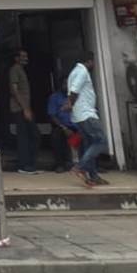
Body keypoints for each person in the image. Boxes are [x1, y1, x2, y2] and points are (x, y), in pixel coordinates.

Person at [66, 51, 109, 187]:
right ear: (89, 61)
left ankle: (93, 175)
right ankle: (80, 167)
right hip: (86, 114)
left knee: (90, 144)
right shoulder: (82, 71)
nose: (94, 64)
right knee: (101, 141)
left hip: (80, 115)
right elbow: (74, 91)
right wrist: (70, 104)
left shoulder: (74, 71)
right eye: (93, 62)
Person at [8, 49, 39, 174]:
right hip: (19, 108)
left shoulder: (21, 70)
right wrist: (25, 109)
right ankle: (24, 166)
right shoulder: (15, 70)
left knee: (32, 135)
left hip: (24, 108)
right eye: (23, 56)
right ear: (16, 58)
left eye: (26, 56)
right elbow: (14, 90)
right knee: (26, 137)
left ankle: (29, 164)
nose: (26, 58)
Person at [46, 81, 79, 172]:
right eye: (65, 84)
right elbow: (52, 115)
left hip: (77, 126)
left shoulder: (76, 97)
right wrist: (64, 128)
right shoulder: (55, 97)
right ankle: (60, 164)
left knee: (90, 134)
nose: (67, 86)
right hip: (62, 126)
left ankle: (92, 164)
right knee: (56, 136)